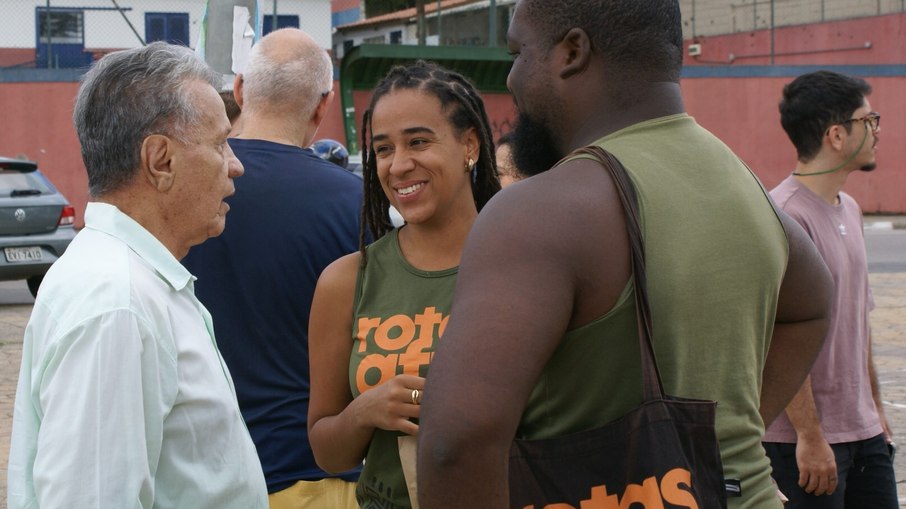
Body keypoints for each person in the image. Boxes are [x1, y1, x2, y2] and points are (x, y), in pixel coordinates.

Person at [417, 1, 835, 508]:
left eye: (518, 52)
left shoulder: (536, 211)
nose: (511, 78)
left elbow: (453, 446)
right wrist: (717, 439)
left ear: (572, 51)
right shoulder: (739, 183)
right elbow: (814, 303)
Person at [7, 42, 267, 508]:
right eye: (219, 144)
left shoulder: (128, 283)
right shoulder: (117, 303)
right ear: (160, 161)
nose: (236, 165)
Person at [181, 28, 365, 508]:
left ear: (239, 90)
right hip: (318, 476)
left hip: (202, 476)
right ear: (323, 106)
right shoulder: (358, 204)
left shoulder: (183, 197)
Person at [307, 60, 500, 508]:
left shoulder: (524, 264)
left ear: (469, 144)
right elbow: (326, 450)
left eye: (418, 141)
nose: (399, 165)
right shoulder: (345, 281)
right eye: (384, 149)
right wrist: (364, 411)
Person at [763, 71, 896, 508]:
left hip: (865, 433)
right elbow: (775, 336)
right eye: (868, 120)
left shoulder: (851, 208)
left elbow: (858, 322)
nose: (877, 130)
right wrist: (810, 435)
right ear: (836, 135)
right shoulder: (784, 216)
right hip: (805, 445)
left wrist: (874, 410)